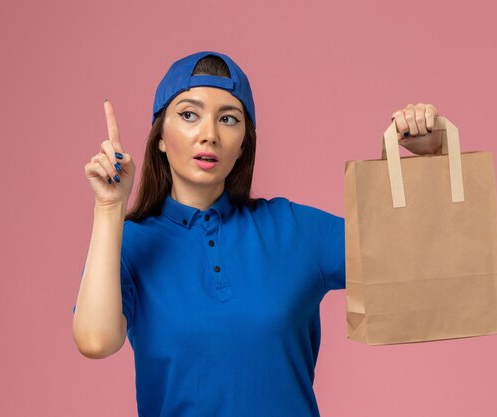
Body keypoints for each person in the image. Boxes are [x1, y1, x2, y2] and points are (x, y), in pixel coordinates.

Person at [71, 51, 443, 417]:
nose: (209, 134)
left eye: (228, 119)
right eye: (189, 115)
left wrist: (426, 162)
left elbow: (411, 265)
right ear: (161, 138)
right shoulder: (132, 244)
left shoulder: (292, 230)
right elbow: (96, 341)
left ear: (244, 143)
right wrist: (109, 208)